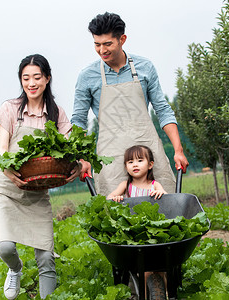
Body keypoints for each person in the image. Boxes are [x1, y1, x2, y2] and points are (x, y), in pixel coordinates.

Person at [0, 54, 80, 299]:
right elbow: (2, 148)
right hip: (6, 189)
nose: (31, 83)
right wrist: (7, 170)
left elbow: (72, 147)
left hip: (36, 192)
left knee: (45, 258)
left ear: (47, 79)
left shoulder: (56, 113)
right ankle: (15, 269)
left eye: (37, 77)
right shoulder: (10, 108)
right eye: (25, 77)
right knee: (6, 247)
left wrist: (79, 165)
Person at [71, 12, 189, 196]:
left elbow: (163, 110)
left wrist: (178, 150)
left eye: (108, 44)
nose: (102, 50)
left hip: (148, 150)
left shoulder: (145, 67)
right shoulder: (87, 76)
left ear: (122, 39)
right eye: (97, 44)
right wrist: (82, 158)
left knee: (164, 209)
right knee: (113, 215)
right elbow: (78, 121)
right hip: (110, 157)